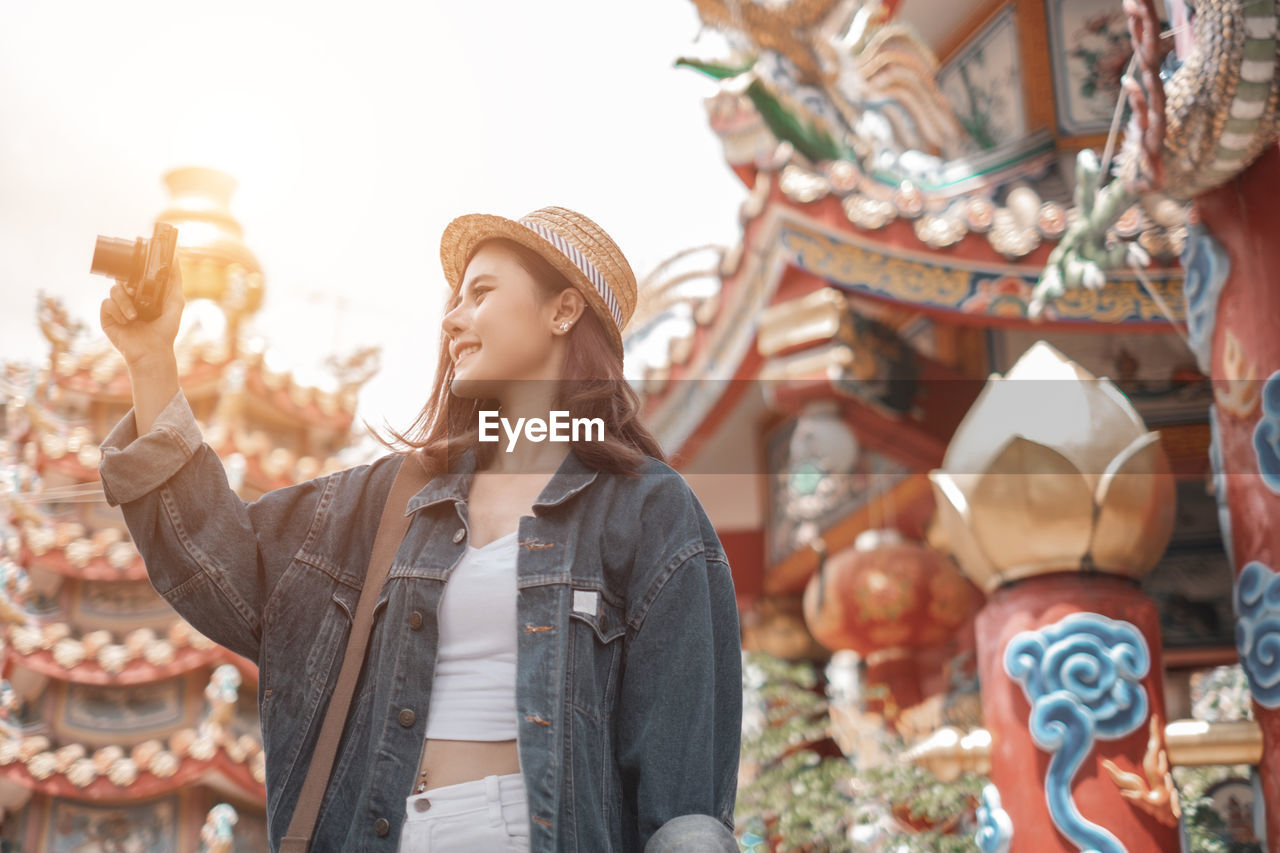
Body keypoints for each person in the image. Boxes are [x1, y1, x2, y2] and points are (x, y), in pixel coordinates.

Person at [97, 205, 743, 853]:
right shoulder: (391, 498)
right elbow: (226, 564)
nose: (452, 318)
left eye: (481, 292)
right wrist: (152, 358)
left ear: (563, 311)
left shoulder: (650, 512)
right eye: (454, 299)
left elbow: (684, 800)